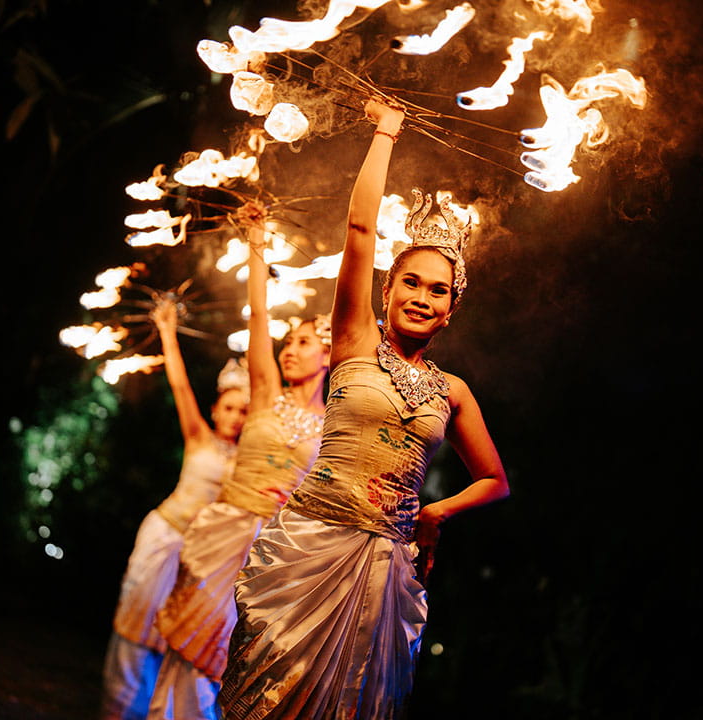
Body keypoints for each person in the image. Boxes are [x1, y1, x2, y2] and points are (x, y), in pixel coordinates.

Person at [219, 99, 510, 720]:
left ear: (451, 309)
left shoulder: (453, 391)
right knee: (268, 702)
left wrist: (437, 511)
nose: (422, 298)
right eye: (411, 282)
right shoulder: (353, 339)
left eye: (439, 291)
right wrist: (385, 131)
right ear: (386, 288)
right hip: (311, 546)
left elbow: (495, 481)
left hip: (383, 566)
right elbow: (360, 230)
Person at [146, 201, 331, 719]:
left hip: (275, 552)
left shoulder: (333, 425)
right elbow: (261, 313)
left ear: (328, 355)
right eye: (287, 343)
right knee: (189, 650)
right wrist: (256, 241)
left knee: (237, 661)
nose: (289, 350)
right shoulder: (266, 391)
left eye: (303, 343)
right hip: (223, 531)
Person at [100, 299, 249, 720]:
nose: (236, 417)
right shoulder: (198, 437)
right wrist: (167, 331)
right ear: (216, 408)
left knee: (179, 643)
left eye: (244, 411)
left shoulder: (253, 461)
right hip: (164, 538)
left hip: (204, 559)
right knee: (136, 631)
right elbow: (180, 386)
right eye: (230, 408)